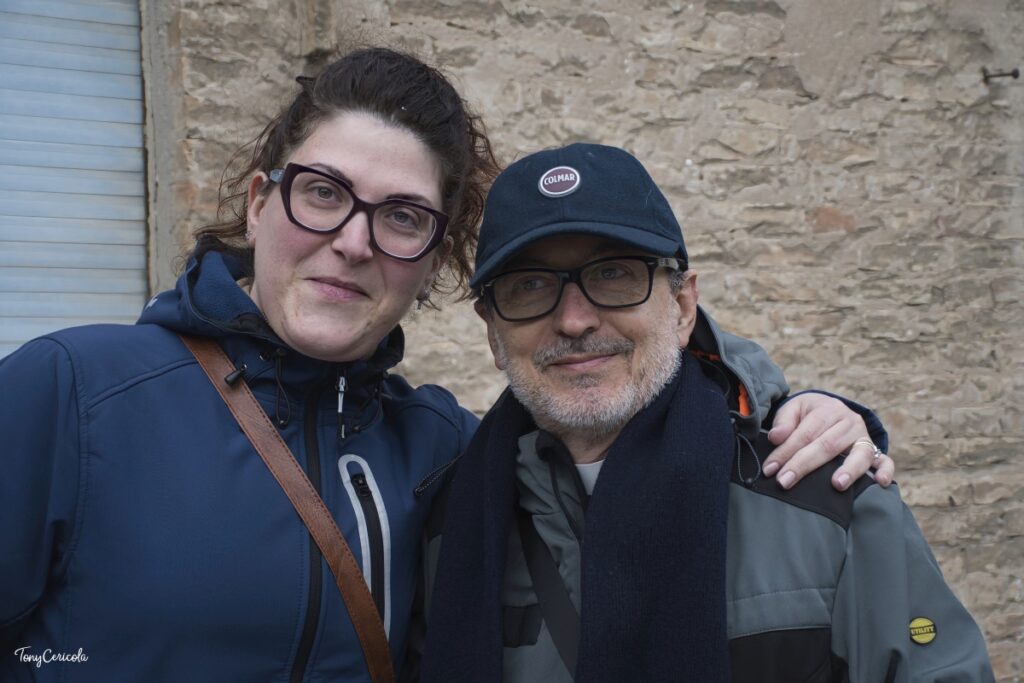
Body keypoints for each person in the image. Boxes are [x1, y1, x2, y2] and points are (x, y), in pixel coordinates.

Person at [1, 48, 887, 682]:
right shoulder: (72, 393)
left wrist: (805, 408)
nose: (353, 241)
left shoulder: (447, 451)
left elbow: (611, 383)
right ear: (261, 203)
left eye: (402, 216)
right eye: (323, 193)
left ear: (432, 262)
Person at [419, 143, 994, 682]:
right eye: (528, 285)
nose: (574, 321)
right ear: (492, 332)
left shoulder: (830, 505)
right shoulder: (446, 527)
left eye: (613, 273)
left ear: (683, 305)